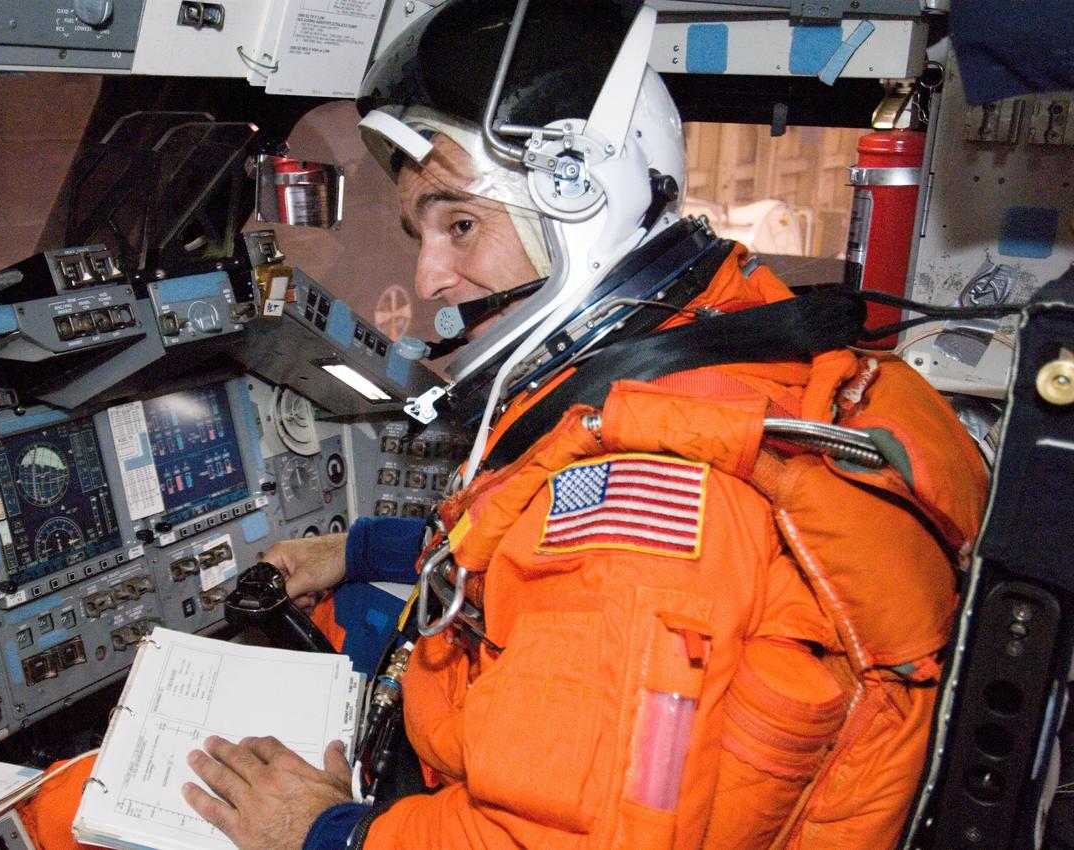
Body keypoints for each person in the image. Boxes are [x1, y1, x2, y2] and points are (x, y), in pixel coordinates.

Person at [182, 1, 988, 848]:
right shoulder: (726, 344)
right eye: (422, 232)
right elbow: (518, 545)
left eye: (461, 224)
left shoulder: (631, 538)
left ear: (584, 211)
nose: (428, 278)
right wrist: (357, 550)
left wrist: (324, 832)